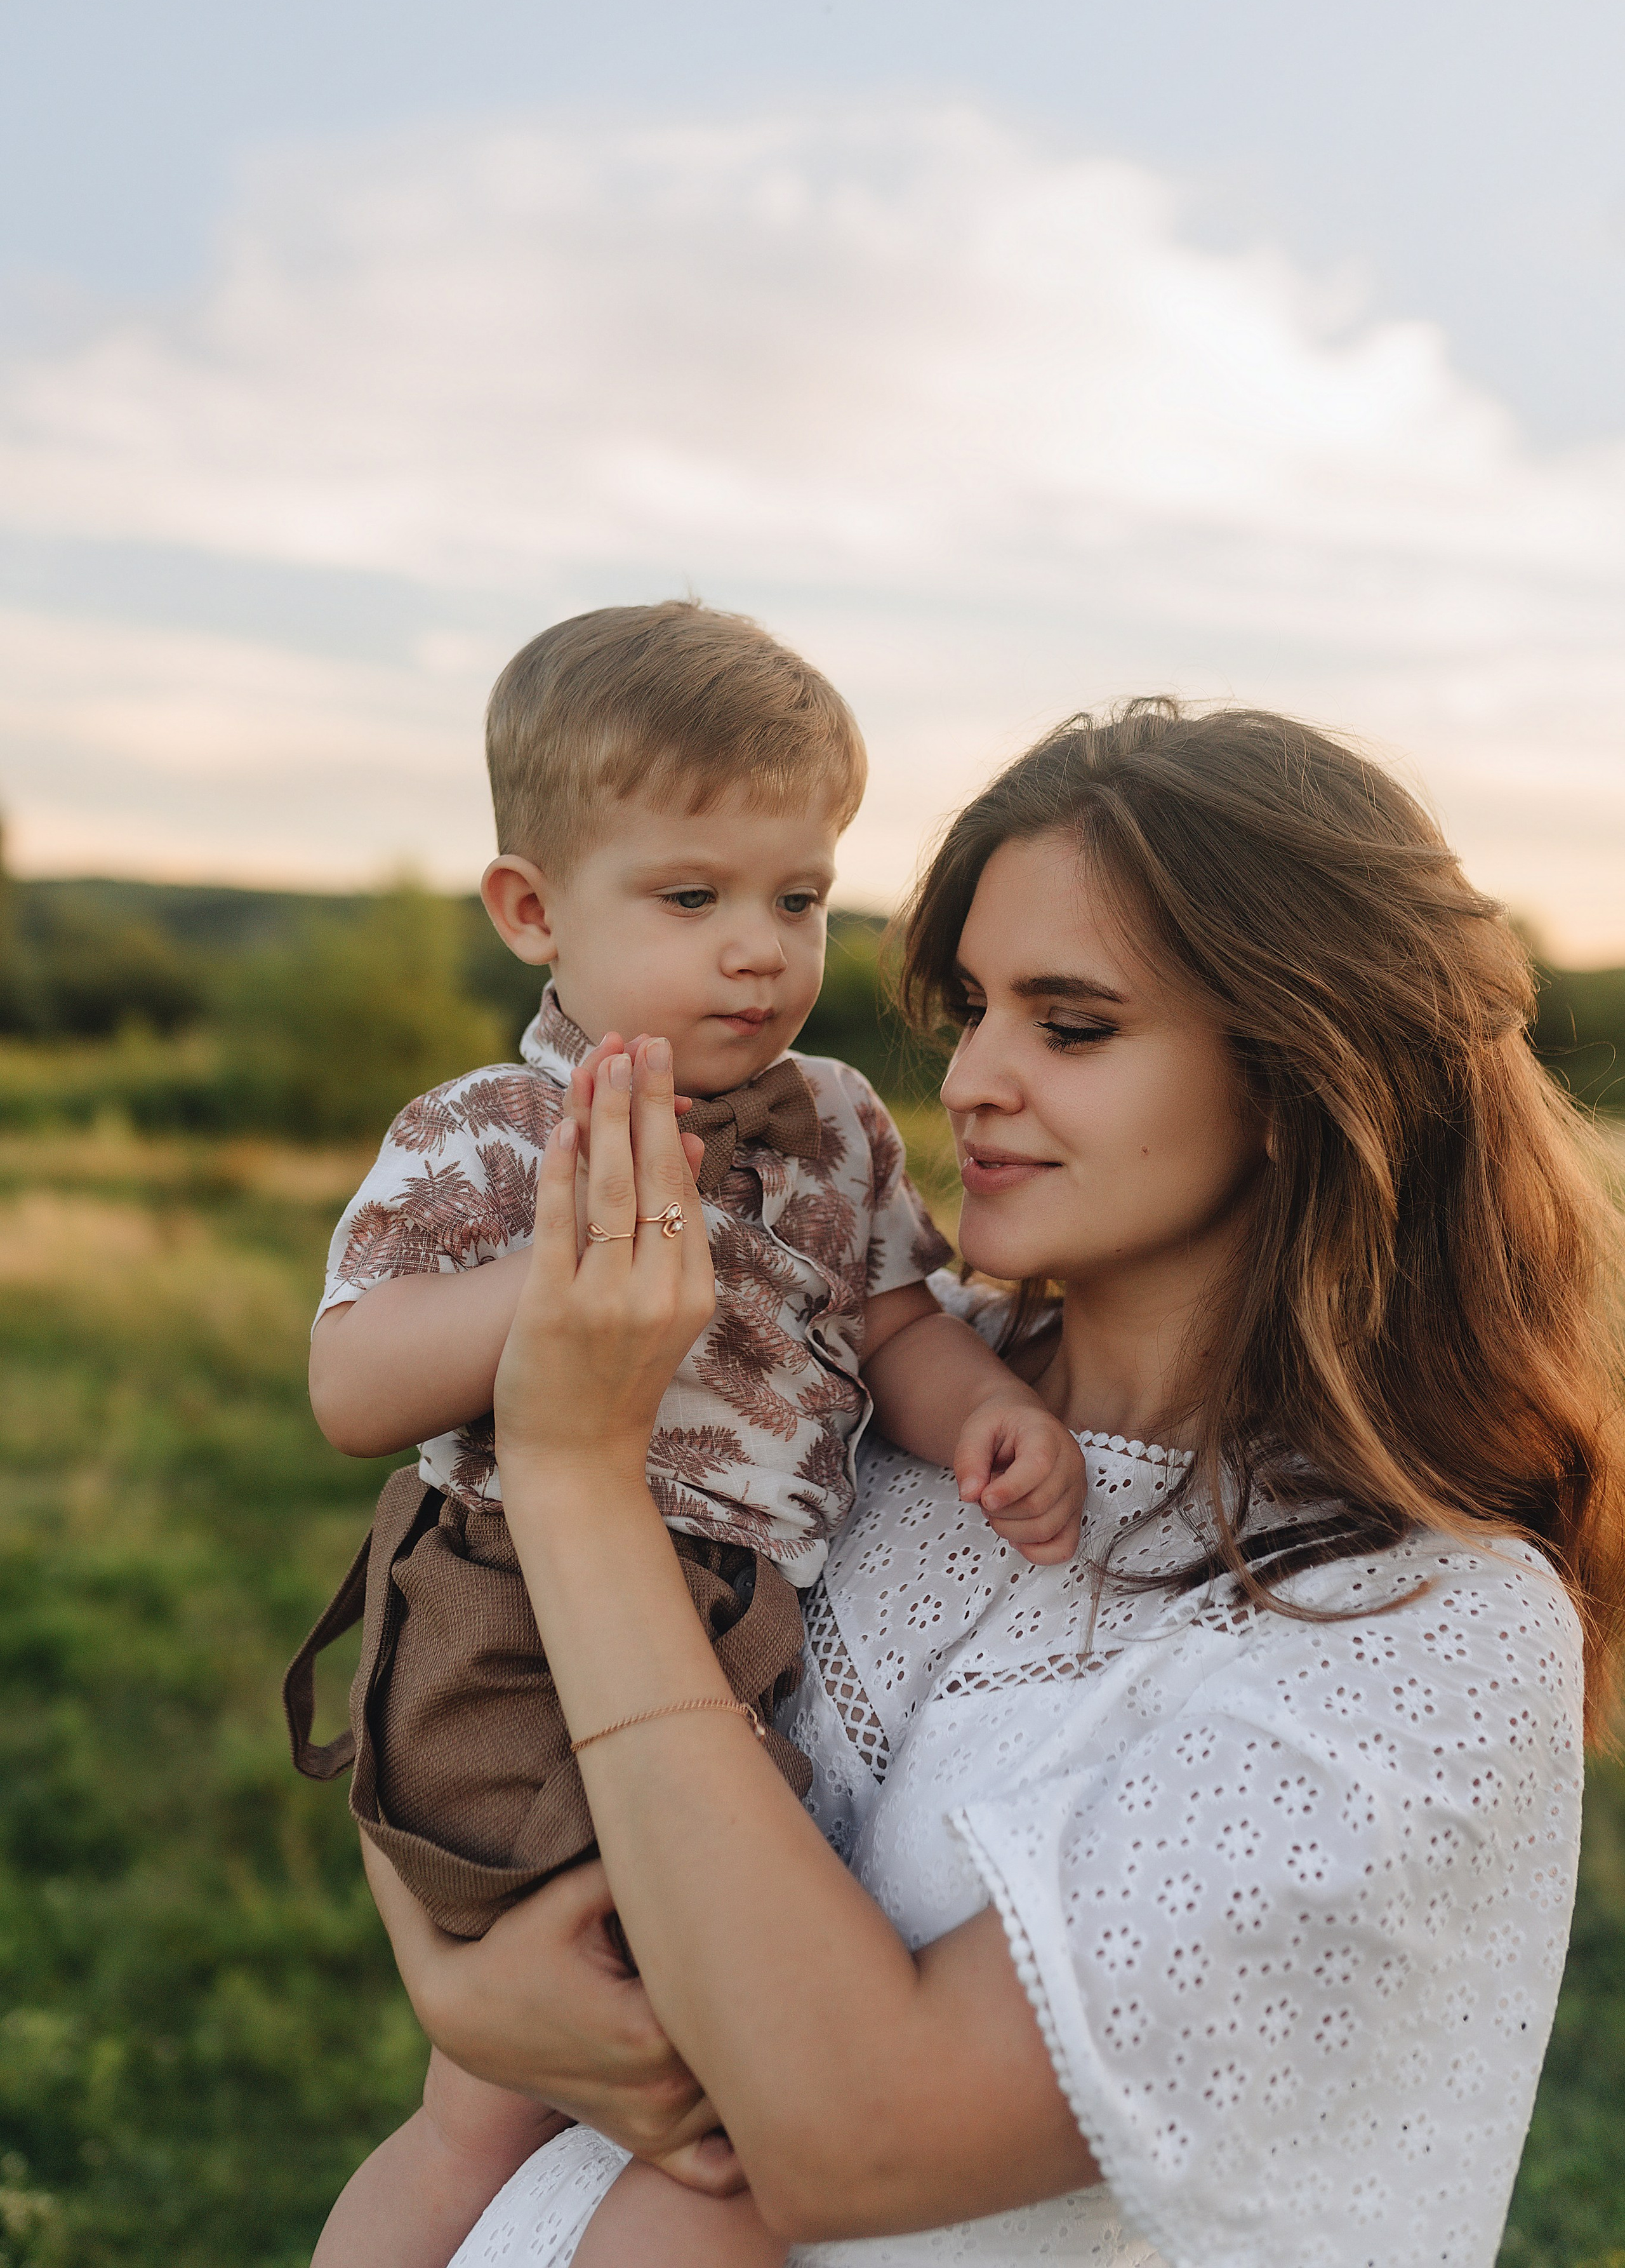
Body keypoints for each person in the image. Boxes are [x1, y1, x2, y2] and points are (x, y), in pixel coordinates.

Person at [359, 701, 1624, 2267]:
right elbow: (464, 1645)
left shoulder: (1420, 1618)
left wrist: (576, 1477)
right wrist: (458, 1974)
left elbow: (853, 2135)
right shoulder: (869, 1381)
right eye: (967, 1008)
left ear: (1300, 1075)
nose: (966, 1079)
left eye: (1069, 1024)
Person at [300, 602, 1087, 2267]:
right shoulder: (499, 1131)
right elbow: (352, 1384)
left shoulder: (842, 1125)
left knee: (683, 2042)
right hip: (517, 1607)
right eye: (691, 897)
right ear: (533, 909)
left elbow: (896, 1325)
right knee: (516, 2088)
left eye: (797, 897)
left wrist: (991, 1412)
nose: (761, 948)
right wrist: (558, 1287)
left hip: (738, 1631)